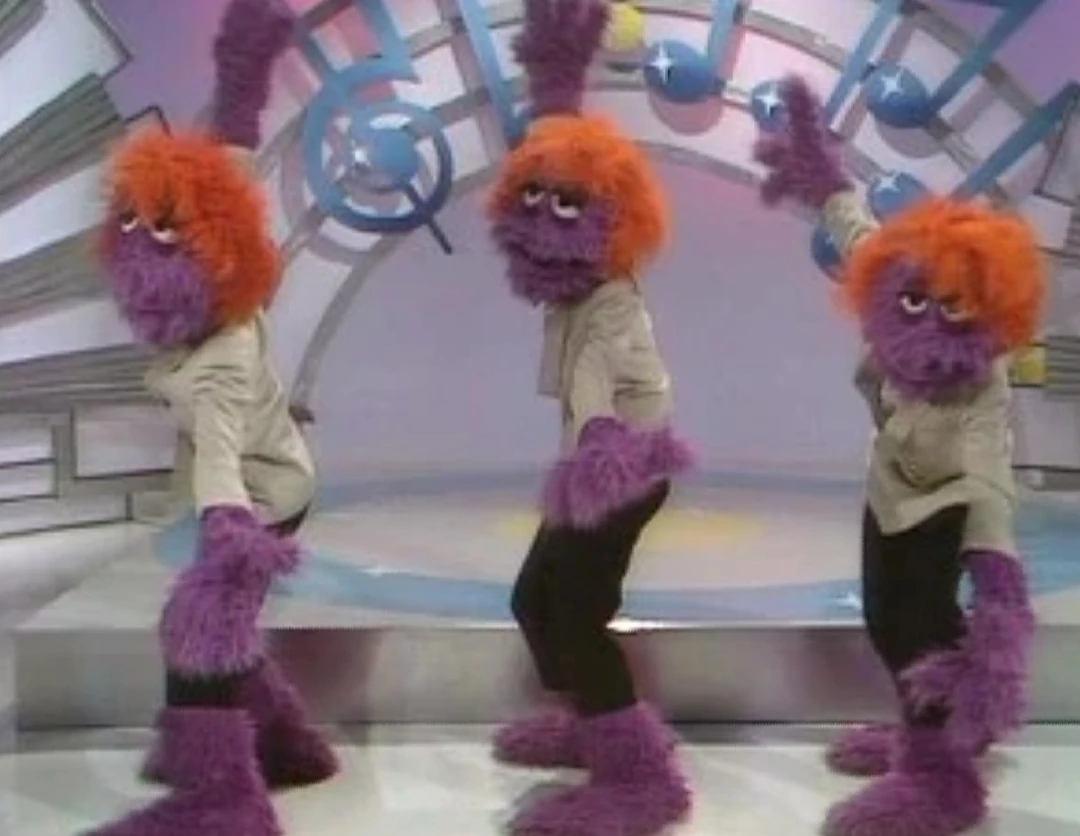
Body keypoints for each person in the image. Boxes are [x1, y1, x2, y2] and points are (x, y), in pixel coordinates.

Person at [753, 75, 1045, 836]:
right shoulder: (899, 288)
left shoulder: (977, 382)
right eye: (917, 301)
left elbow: (986, 479)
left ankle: (942, 781)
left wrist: (999, 578)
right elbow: (858, 235)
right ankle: (934, 734)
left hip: (945, 500)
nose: (930, 318)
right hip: (891, 484)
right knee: (889, 620)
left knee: (916, 627)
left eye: (955, 306)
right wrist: (820, 173)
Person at [86, 1, 335, 833]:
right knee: (220, 623)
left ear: (207, 250)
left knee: (197, 630)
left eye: (159, 227)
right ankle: (288, 747)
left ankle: (223, 799)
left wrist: (228, 527)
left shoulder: (218, 357)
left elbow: (222, 454)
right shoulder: (218, 289)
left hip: (257, 500)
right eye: (130, 218)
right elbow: (226, 164)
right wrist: (243, 71)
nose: (137, 238)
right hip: (270, 478)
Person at [486, 2, 694, 835]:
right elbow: (557, 146)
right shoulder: (575, 283)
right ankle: (593, 725)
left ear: (611, 218)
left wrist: (596, 449)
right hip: (595, 470)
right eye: (531, 197)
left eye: (566, 204)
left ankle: (638, 776)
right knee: (535, 601)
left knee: (567, 615)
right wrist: (555, 67)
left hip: (619, 472)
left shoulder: (607, 301)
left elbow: (599, 396)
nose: (542, 213)